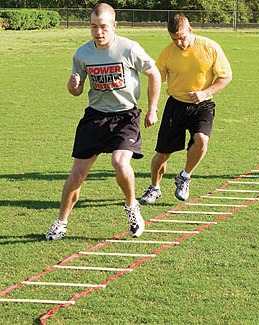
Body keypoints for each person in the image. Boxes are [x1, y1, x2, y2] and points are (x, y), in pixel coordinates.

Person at [46, 2, 161, 240]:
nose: (98, 32)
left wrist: (152, 109)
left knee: (120, 163)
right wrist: (73, 85)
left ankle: (132, 208)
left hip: (125, 116)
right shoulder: (82, 54)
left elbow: (154, 73)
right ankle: (61, 222)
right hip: (95, 117)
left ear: (114, 25)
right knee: (77, 174)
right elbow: (76, 91)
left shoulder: (129, 48)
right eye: (93, 27)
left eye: (103, 27)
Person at [140, 13, 232, 205]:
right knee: (163, 154)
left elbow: (225, 77)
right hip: (176, 105)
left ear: (190, 29)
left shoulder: (210, 47)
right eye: (175, 39)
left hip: (203, 104)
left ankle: (185, 176)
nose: (179, 42)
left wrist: (205, 93)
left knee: (201, 140)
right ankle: (155, 187)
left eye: (182, 37)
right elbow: (156, 80)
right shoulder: (167, 53)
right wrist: (152, 109)